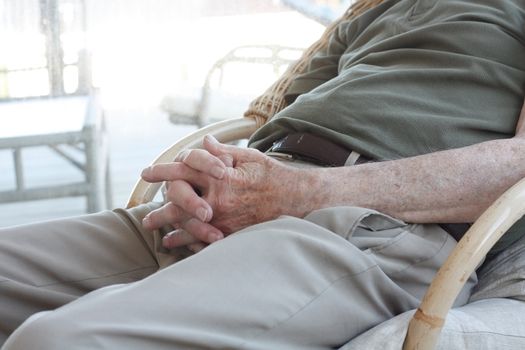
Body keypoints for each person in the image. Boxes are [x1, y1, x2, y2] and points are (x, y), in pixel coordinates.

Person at [2, 0, 525, 349]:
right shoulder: (377, 8)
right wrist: (202, 180)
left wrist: (300, 192)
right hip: (244, 200)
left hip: (369, 230)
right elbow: (269, 122)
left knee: (55, 343)